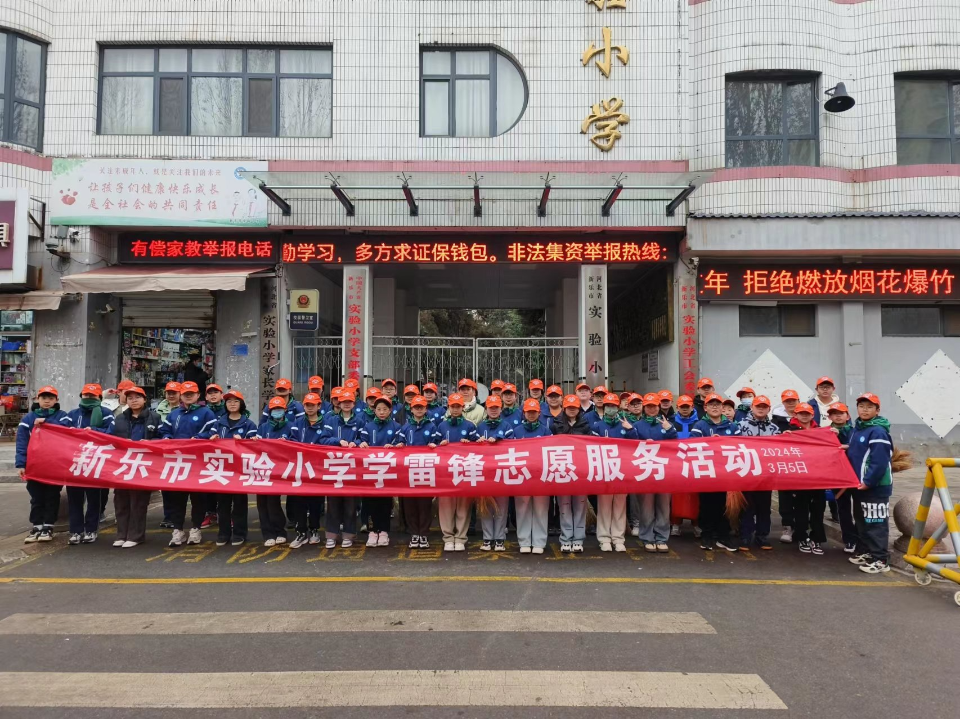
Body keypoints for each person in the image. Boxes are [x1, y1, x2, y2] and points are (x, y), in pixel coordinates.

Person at [158, 380, 217, 547]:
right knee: (177, 498)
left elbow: (213, 431)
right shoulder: (174, 414)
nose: (188, 396)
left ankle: (196, 529)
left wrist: (199, 438)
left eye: (192, 394)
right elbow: (164, 431)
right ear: (181, 396)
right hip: (179, 463)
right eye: (185, 394)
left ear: (198, 395)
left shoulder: (206, 413)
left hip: (199, 463)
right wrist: (167, 438)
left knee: (198, 498)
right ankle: (178, 530)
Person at [60, 383, 116, 545]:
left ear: (99, 397)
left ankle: (91, 529)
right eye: (86, 395)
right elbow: (61, 431)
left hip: (95, 462)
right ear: (81, 396)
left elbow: (111, 433)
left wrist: (93, 432)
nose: (89, 398)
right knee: (74, 499)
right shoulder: (72, 414)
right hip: (75, 462)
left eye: (92, 396)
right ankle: (76, 531)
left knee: (94, 499)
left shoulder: (106, 414)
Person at [846, 393, 893, 574]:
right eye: (862, 406)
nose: (865, 410)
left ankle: (881, 560)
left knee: (875, 523)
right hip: (859, 486)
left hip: (875, 487)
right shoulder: (857, 429)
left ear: (877, 410)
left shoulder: (878, 431)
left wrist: (868, 481)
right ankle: (867, 552)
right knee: (862, 521)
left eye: (869, 407)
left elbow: (879, 461)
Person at [110, 386, 161, 548]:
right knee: (121, 500)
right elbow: (109, 438)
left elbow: (163, 438)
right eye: (130, 398)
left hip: (143, 465)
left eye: (137, 397)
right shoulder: (119, 418)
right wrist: (121, 443)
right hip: (123, 464)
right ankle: (121, 534)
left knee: (138, 502)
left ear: (144, 399)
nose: (134, 400)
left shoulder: (154, 417)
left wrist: (150, 443)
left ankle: (136, 535)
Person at [589, 392, 639, 552]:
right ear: (604, 408)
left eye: (613, 406)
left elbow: (636, 445)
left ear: (618, 407)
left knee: (620, 505)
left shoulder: (626, 423)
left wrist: (630, 430)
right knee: (604, 506)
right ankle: (604, 538)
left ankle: (618, 538)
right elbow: (591, 448)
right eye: (608, 406)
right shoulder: (597, 426)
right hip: (604, 471)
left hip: (622, 471)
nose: (610, 408)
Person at [690, 393, 740, 553]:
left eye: (718, 404)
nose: (715, 407)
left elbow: (740, 445)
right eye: (711, 404)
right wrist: (709, 442)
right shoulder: (700, 425)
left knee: (724, 505)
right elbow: (691, 445)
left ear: (722, 407)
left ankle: (723, 536)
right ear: (705, 408)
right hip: (707, 472)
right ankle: (707, 535)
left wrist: (723, 442)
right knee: (707, 504)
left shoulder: (732, 426)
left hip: (726, 472)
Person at [17, 385, 68, 543]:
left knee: (52, 495)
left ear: (56, 400)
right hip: (34, 466)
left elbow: (67, 432)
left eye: (51, 398)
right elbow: (22, 443)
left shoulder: (63, 416)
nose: (47, 401)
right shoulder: (28, 419)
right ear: (37, 399)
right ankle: (37, 526)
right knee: (36, 496)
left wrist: (47, 423)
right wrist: (21, 464)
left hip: (54, 465)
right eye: (44, 398)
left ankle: (48, 527)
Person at [210, 389, 257, 546]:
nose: (232, 404)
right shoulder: (218, 423)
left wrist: (245, 441)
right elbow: (208, 440)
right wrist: (212, 439)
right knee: (222, 504)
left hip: (240, 470)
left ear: (241, 404)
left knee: (240, 504)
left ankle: (239, 533)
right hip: (222, 469)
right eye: (229, 401)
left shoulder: (249, 424)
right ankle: (223, 533)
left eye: (236, 401)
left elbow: (254, 445)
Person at [632, 393, 678, 553]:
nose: (652, 409)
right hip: (645, 471)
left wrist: (669, 429)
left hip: (664, 471)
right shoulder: (637, 425)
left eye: (654, 406)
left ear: (659, 407)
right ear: (644, 408)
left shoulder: (666, 423)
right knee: (646, 507)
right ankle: (647, 538)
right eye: (649, 406)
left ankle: (662, 538)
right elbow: (630, 445)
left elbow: (675, 443)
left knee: (664, 507)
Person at [319, 389, 363, 548]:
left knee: (350, 504)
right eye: (343, 401)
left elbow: (364, 439)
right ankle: (331, 535)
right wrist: (338, 441)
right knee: (333, 503)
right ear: (339, 403)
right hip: (334, 467)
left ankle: (348, 535)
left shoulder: (359, 421)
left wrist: (355, 443)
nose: (346, 404)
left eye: (349, 401)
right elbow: (323, 439)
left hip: (352, 467)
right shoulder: (330, 420)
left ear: (354, 403)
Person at [435, 393, 479, 551]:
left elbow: (478, 446)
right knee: (446, 506)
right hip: (445, 472)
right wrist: (440, 444)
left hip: (464, 471)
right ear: (448, 407)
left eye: (458, 406)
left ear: (462, 408)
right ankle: (448, 537)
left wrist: (470, 444)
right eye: (452, 406)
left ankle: (460, 537)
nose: (455, 409)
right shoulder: (441, 426)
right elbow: (432, 446)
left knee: (463, 506)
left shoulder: (469, 426)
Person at [358, 396, 403, 548]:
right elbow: (361, 440)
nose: (382, 412)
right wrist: (361, 444)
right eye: (379, 409)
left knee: (385, 501)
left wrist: (395, 446)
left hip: (387, 470)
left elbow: (401, 443)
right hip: (370, 470)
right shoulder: (368, 426)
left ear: (390, 410)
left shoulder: (396, 426)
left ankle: (384, 531)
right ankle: (372, 531)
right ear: (374, 411)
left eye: (385, 409)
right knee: (369, 501)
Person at [736, 394, 779, 551]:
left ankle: (762, 536)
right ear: (752, 407)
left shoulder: (774, 428)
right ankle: (745, 536)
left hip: (766, 474)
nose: (761, 409)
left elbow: (779, 449)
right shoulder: (740, 426)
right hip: (746, 472)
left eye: (764, 407)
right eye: (758, 406)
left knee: (764, 507)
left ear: (769, 409)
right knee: (747, 506)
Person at [396, 395, 439, 549]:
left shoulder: (432, 427)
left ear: (426, 409)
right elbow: (399, 442)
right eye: (416, 407)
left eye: (421, 407)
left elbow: (437, 444)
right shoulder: (406, 427)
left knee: (425, 504)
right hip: (408, 471)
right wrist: (399, 445)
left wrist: (434, 445)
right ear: (411, 409)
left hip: (426, 471)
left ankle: (424, 534)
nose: (419, 410)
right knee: (410, 505)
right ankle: (414, 533)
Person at [513, 397, 554, 554]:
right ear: (524, 413)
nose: (531, 414)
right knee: (522, 509)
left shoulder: (546, 431)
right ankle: (524, 541)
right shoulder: (516, 431)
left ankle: (539, 542)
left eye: (534, 412)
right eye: (528, 412)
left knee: (541, 509)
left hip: (540, 475)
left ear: (539, 413)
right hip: (521, 475)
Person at [255, 396, 299, 546]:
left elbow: (297, 444)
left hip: (281, 469)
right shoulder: (263, 427)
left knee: (273, 501)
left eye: (279, 409)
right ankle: (267, 534)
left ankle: (280, 531)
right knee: (262, 502)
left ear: (285, 410)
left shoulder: (291, 426)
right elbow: (255, 446)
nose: (277, 412)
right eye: (274, 409)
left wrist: (287, 443)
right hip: (263, 468)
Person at [551, 394, 591, 553]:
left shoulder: (586, 425)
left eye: (575, 408)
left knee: (580, 507)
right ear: (564, 408)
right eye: (569, 408)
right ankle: (566, 539)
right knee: (564, 506)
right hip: (562, 470)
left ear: (579, 409)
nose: (572, 410)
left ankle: (579, 539)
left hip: (581, 472)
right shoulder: (555, 425)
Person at [475, 394, 514, 551]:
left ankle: (499, 538)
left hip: (502, 471)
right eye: (491, 408)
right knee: (485, 507)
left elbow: (513, 444)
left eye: (496, 408)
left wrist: (499, 438)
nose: (493, 410)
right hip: (484, 472)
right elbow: (472, 446)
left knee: (501, 507)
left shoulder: (506, 426)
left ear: (501, 409)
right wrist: (476, 442)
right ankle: (487, 538)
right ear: (486, 409)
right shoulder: (480, 426)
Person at [786, 402, 826, 556]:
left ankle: (817, 539)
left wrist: (834, 434)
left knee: (818, 510)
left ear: (812, 415)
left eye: (807, 413)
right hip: (799, 478)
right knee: (800, 510)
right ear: (795, 414)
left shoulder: (821, 431)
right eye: (801, 413)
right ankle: (801, 537)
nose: (804, 416)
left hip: (817, 477)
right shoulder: (789, 430)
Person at [289, 392, 326, 549]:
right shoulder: (297, 423)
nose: (310, 408)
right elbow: (291, 440)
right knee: (299, 502)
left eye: (313, 405)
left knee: (315, 502)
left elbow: (328, 440)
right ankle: (301, 532)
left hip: (318, 469)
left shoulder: (325, 423)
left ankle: (314, 530)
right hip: (300, 468)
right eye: (307, 405)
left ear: (319, 406)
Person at [826, 401, 857, 553]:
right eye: (834, 414)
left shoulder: (856, 431)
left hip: (856, 475)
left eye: (841, 413)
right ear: (829, 417)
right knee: (843, 510)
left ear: (847, 416)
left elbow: (860, 447)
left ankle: (861, 539)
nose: (838, 416)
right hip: (837, 476)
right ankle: (849, 540)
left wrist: (843, 440)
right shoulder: (826, 432)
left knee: (859, 509)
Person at [669, 394, 701, 538]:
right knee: (677, 495)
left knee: (695, 495)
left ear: (692, 407)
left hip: (695, 462)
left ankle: (696, 524)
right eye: (682, 407)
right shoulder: (670, 423)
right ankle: (675, 524)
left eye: (687, 406)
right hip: (676, 463)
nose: (685, 409)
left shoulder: (699, 423)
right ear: (677, 408)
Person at [772, 388, 801, 542]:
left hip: (802, 464)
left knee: (802, 498)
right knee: (785, 497)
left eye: (793, 400)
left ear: (798, 401)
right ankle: (787, 526)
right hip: (783, 464)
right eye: (787, 401)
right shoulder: (776, 420)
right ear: (783, 403)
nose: (791, 403)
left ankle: (801, 528)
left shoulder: (805, 416)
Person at [199, 382, 227, 529]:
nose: (213, 395)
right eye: (210, 393)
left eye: (216, 392)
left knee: (225, 483)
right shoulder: (201, 411)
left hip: (227, 453)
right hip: (206, 453)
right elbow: (200, 431)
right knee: (208, 483)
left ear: (222, 395)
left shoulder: (228, 409)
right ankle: (210, 513)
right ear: (205, 397)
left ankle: (226, 514)